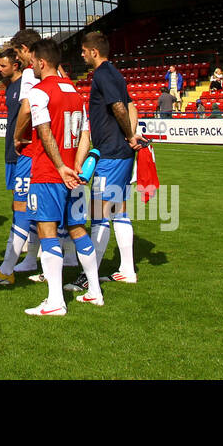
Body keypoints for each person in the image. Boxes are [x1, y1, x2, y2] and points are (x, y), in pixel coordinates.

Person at [22, 39, 104, 315]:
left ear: (41, 62)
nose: (31, 65)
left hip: (49, 174)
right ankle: (94, 291)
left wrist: (59, 167)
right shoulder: (75, 92)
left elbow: (44, 132)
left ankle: (55, 301)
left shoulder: (39, 91)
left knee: (47, 231)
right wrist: (76, 166)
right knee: (78, 229)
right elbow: (84, 134)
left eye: (33, 61)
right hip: (75, 174)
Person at [76, 31, 140, 287]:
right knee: (119, 210)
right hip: (119, 153)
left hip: (112, 154)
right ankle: (127, 269)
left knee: (100, 213)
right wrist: (132, 136)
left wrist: (128, 135)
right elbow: (132, 104)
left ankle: (88, 276)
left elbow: (120, 107)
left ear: (94, 51)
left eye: (83, 51)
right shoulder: (115, 73)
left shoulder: (103, 74)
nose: (81, 55)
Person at [0, 47, 42, 287]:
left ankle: (15, 264)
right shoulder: (10, 87)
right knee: (19, 205)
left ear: (17, 64)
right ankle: (31, 256)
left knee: (25, 206)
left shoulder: (28, 82)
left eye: (3, 66)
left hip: (23, 153)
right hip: (11, 154)